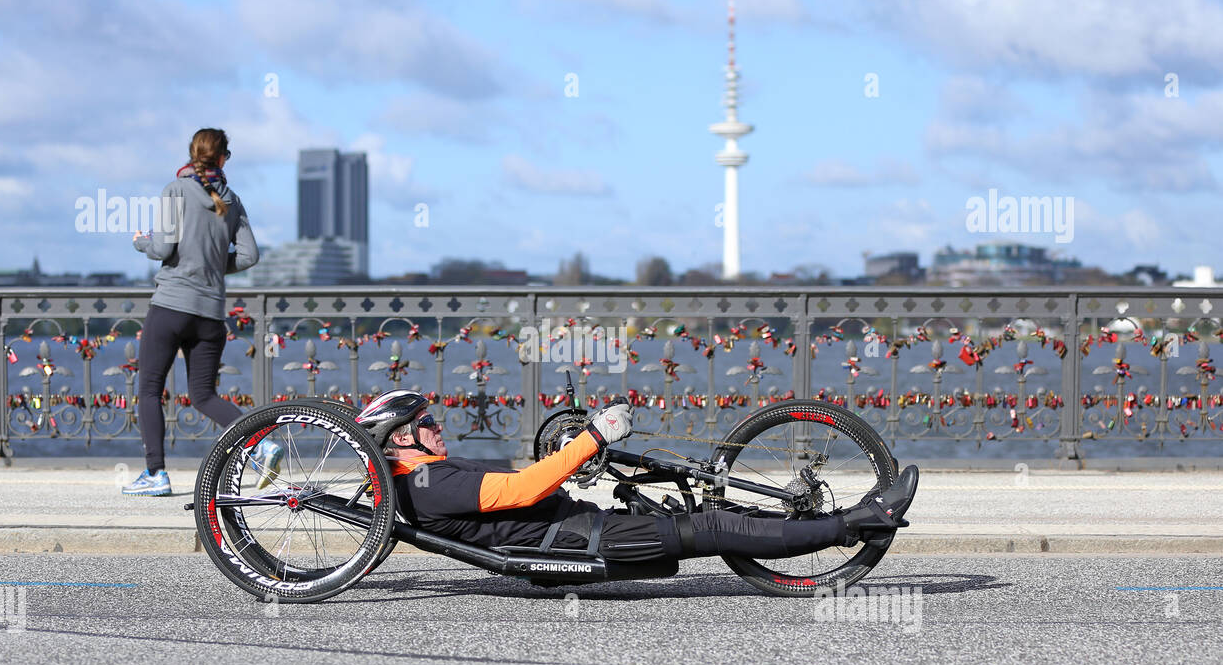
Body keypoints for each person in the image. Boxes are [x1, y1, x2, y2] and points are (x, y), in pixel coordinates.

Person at [356, 390, 918, 565]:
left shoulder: (430, 474)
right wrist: (595, 437)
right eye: (424, 423)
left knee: (716, 513)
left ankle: (834, 518)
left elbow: (521, 479)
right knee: (718, 530)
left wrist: (573, 447)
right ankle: (860, 522)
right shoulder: (429, 485)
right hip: (585, 542)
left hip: (578, 525)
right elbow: (523, 490)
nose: (437, 426)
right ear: (399, 438)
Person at [124, 128, 280, 495]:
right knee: (203, 396)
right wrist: (211, 265)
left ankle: (156, 475)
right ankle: (263, 444)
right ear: (223, 157)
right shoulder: (234, 200)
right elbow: (249, 256)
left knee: (148, 389)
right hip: (210, 314)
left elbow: (162, 248)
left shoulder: (175, 191)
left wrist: (139, 242)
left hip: (171, 306)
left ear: (193, 154)